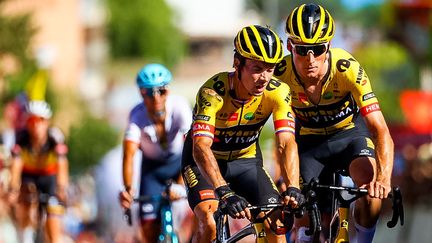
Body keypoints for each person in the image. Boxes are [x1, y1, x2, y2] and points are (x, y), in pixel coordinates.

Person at [274, 3, 394, 243]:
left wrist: (383, 179)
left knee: (370, 192)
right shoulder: (279, 74)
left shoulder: (347, 69)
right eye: (302, 49)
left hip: (349, 135)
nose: (310, 59)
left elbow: (380, 130)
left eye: (317, 49)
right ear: (289, 46)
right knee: (302, 221)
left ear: (328, 46)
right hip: (309, 142)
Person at [181, 24, 304, 243]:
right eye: (257, 69)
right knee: (208, 221)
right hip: (204, 163)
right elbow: (200, 146)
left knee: (276, 223)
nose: (264, 77)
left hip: (245, 161)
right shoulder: (213, 92)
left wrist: (293, 186)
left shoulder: (278, 92)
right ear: (237, 63)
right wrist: (224, 191)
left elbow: (286, 142)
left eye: (270, 68)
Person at [118, 63, 193, 243]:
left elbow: (192, 148)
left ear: (168, 91)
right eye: (149, 92)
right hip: (152, 170)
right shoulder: (136, 115)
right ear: (141, 94)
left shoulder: (180, 107)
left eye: (161, 91)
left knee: (201, 212)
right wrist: (128, 189)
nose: (156, 97)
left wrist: (182, 183)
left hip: (180, 163)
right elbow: (129, 154)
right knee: (149, 228)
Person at [8, 100, 69, 243]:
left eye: (40, 120)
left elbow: (62, 163)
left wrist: (61, 187)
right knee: (24, 200)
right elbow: (16, 165)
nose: (36, 125)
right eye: (31, 120)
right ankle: (24, 236)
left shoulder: (55, 137)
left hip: (49, 178)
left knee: (53, 214)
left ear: (47, 122)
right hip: (29, 176)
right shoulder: (21, 137)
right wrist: (13, 188)